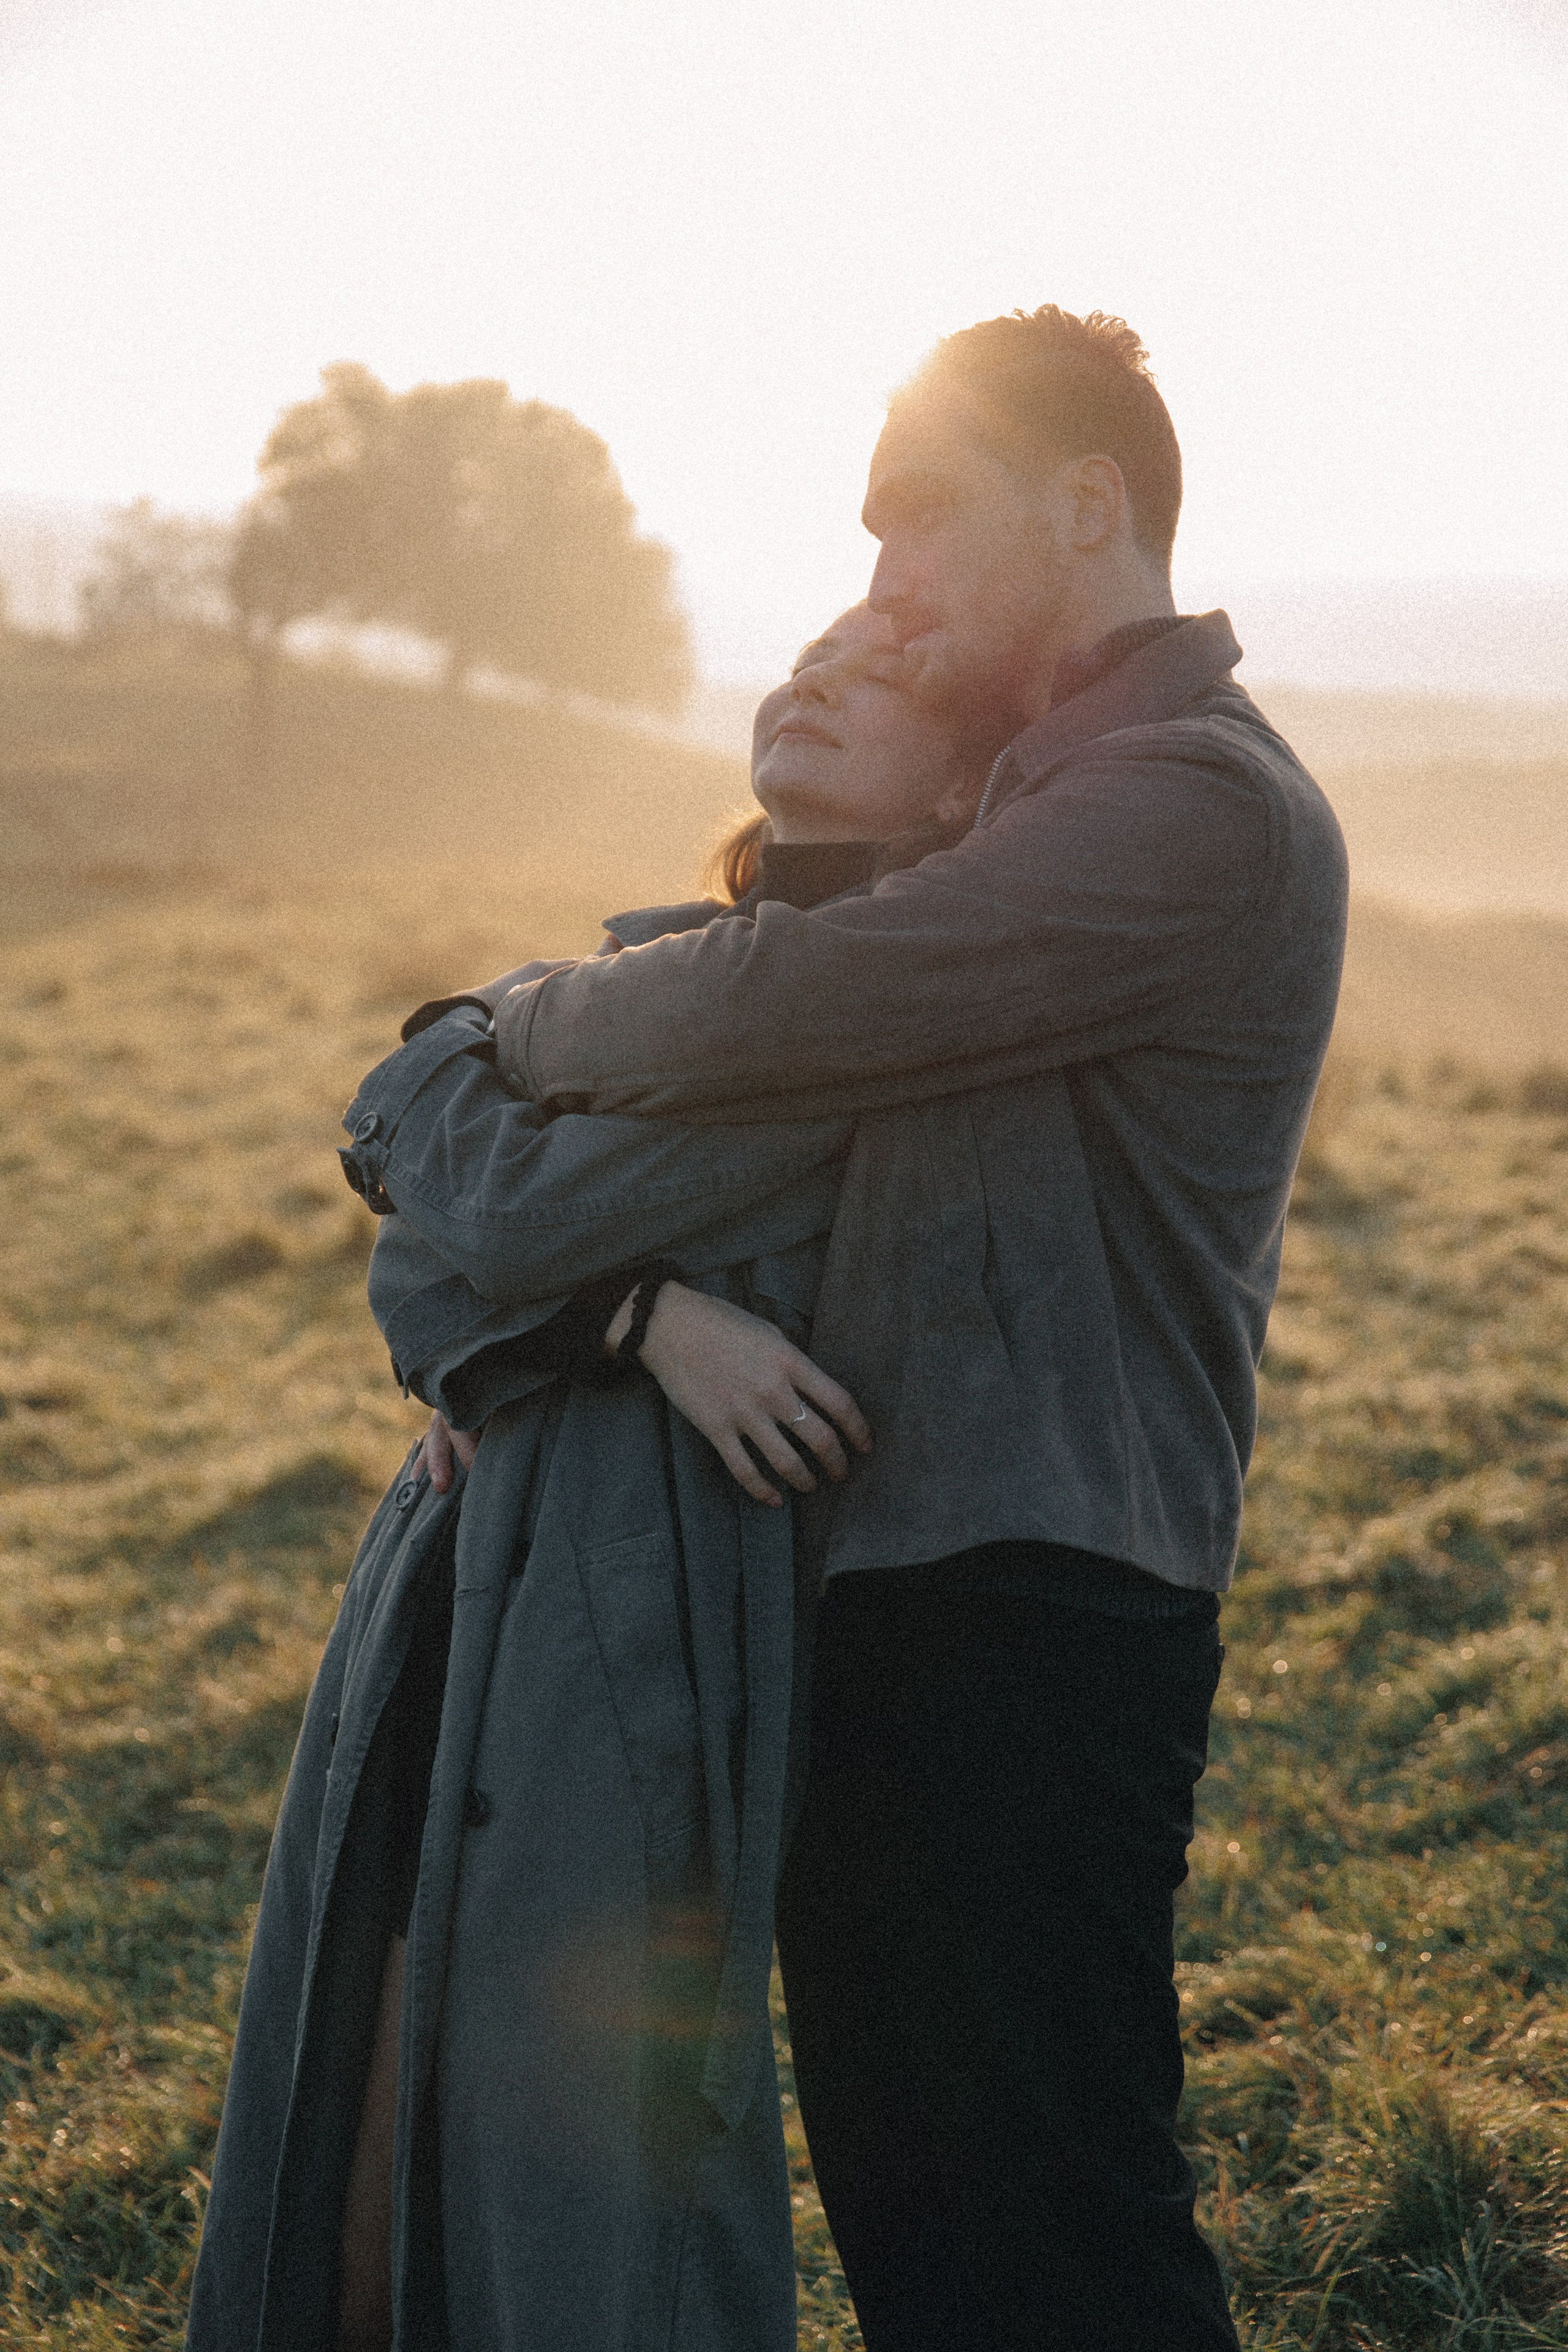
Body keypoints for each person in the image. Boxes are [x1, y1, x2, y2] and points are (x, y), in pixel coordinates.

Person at [470, 307, 1351, 2350]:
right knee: (930, 2229)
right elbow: (505, 1163)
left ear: (1090, 505)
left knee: (1055, 2237)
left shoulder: (1196, 807)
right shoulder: (1009, 808)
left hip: (1040, 1617)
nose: (882, 585)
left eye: (922, 521)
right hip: (878, 1600)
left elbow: (785, 1001)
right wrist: (604, 1292)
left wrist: (514, 1017)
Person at [184, 605, 987, 2352]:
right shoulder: (658, 974)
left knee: (576, 2177)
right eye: (812, 656)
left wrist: (493, 1184)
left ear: (955, 805)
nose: (821, 679)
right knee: (358, 2094)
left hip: (636, 1608)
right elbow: (419, 1259)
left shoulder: (873, 1023)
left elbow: (484, 1208)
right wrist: (635, 1319)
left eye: (887, 678)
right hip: (459, 1562)